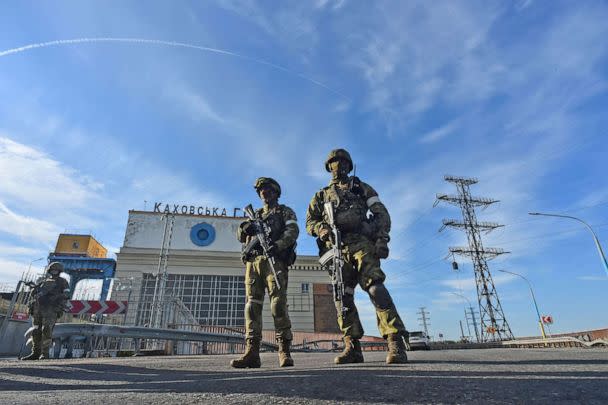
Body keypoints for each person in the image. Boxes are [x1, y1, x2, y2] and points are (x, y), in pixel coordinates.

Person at [305, 148, 408, 364]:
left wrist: (381, 238)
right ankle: (352, 345)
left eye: (342, 162)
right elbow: (310, 222)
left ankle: (394, 341)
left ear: (348, 166)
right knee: (343, 294)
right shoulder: (321, 195)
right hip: (336, 248)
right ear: (328, 167)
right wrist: (323, 230)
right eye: (333, 163)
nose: (338, 166)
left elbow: (381, 213)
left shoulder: (361, 187)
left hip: (361, 243)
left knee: (375, 287)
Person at [231, 177, 299, 368]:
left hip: (274, 259)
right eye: (261, 190)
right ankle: (252, 352)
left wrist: (277, 245)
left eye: (267, 190)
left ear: (276, 192)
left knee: (278, 304)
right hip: (254, 262)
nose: (264, 193)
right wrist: (244, 228)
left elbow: (292, 231)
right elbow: (241, 235)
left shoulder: (284, 211)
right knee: (252, 306)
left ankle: (284, 350)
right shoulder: (256, 214)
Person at [21, 262, 70, 360]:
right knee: (35, 330)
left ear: (60, 271)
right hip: (38, 309)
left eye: (56, 270)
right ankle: (35, 353)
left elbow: (67, 295)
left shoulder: (62, 282)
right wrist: (34, 290)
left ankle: (44, 353)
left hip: (51, 309)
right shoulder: (43, 281)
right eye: (52, 269)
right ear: (49, 270)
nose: (54, 271)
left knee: (46, 330)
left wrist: (54, 297)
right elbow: (33, 294)